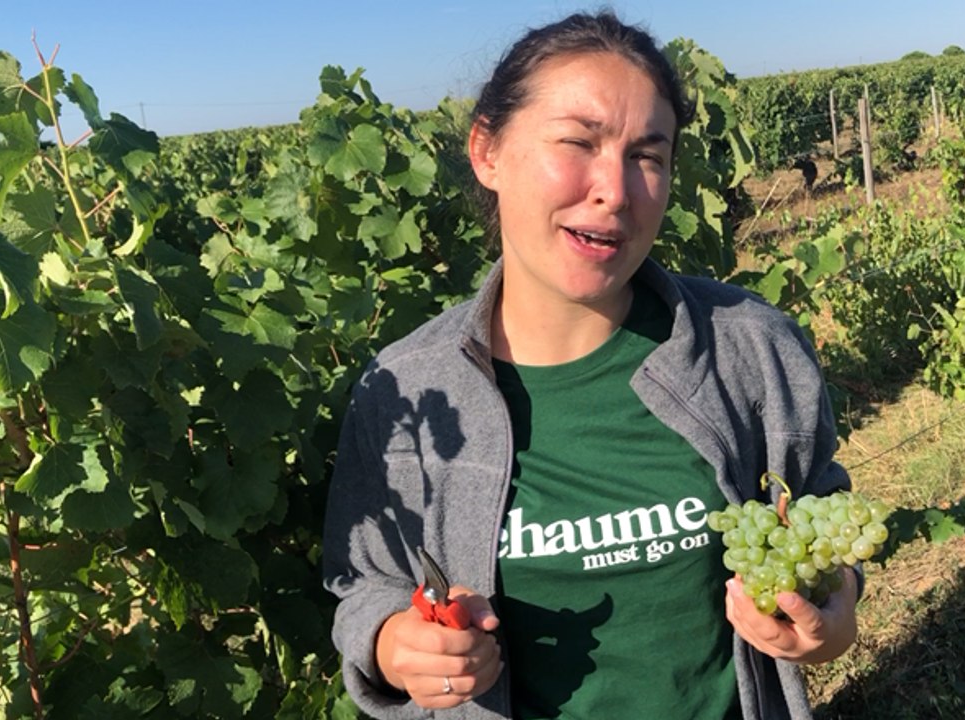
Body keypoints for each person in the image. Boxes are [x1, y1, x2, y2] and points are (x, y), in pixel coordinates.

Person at [322, 11, 859, 720]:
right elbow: (367, 583)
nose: (615, 189)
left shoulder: (750, 348)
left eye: (648, 155)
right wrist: (397, 645)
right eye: (579, 141)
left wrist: (831, 617)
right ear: (488, 150)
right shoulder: (406, 393)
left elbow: (820, 513)